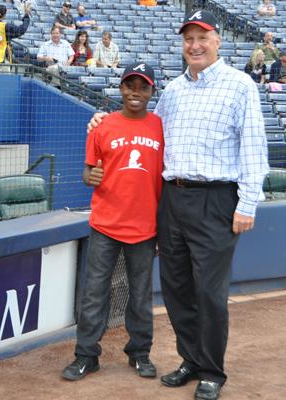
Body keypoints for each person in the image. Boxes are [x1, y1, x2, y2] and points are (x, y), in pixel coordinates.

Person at [87, 10, 269, 400]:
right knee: (176, 287)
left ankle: (211, 371)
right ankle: (190, 358)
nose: (195, 45)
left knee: (208, 291)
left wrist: (248, 204)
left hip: (216, 198)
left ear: (217, 41)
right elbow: (143, 127)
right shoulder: (172, 91)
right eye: (188, 39)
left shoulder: (239, 85)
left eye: (202, 38)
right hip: (172, 198)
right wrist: (101, 120)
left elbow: (254, 149)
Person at [61, 62, 163, 383]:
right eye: (130, 85)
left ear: (151, 91)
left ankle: (140, 353)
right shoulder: (102, 127)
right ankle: (86, 355)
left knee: (141, 295)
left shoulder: (161, 127)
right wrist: (88, 176)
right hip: (105, 224)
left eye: (142, 86)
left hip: (145, 227)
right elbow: (87, 172)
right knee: (94, 293)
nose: (135, 92)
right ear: (120, 88)